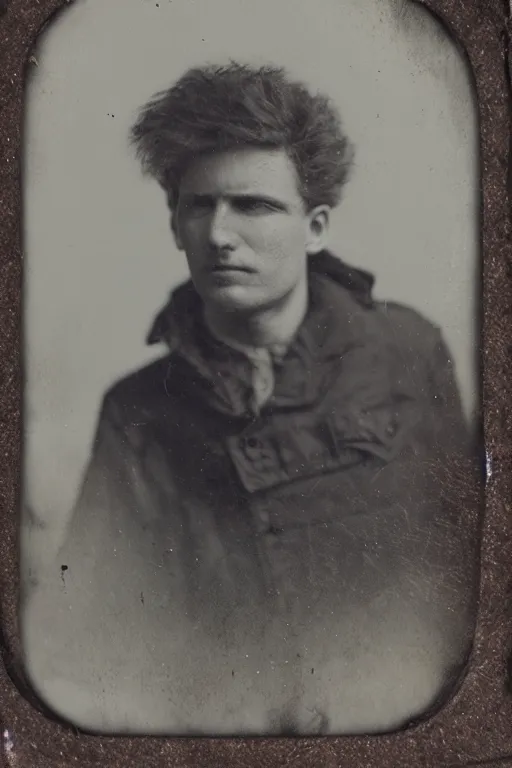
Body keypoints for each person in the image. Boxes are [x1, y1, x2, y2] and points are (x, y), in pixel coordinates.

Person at [24, 62, 480, 736]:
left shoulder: (408, 348)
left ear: (316, 224)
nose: (220, 234)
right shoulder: (137, 411)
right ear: (175, 226)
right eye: (199, 205)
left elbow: (467, 559)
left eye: (255, 205)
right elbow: (91, 629)